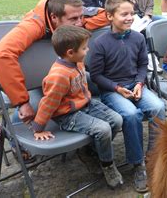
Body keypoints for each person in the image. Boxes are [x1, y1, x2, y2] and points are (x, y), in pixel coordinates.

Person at [0, 0, 109, 124]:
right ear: (54, 17)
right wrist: (22, 102)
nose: (80, 22)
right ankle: (15, 141)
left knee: (103, 83)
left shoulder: (70, 10)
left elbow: (107, 14)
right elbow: (1, 54)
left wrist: (78, 25)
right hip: (39, 82)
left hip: (67, 73)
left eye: (81, 17)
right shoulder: (33, 26)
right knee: (33, 113)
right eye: (74, 19)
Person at [88, 0, 166, 193]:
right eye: (124, 14)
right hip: (112, 90)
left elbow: (142, 65)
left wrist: (140, 83)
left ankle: (153, 155)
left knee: (158, 107)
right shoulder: (100, 43)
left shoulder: (138, 38)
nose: (130, 17)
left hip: (136, 85)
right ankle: (137, 163)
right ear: (109, 16)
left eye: (132, 13)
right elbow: (96, 75)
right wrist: (116, 88)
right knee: (131, 115)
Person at [32, 25, 124, 188]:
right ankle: (107, 165)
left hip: (85, 103)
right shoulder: (59, 75)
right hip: (67, 114)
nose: (87, 50)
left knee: (117, 120)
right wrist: (38, 128)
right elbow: (49, 102)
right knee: (103, 129)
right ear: (70, 52)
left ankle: (91, 151)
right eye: (84, 48)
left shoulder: (77, 62)